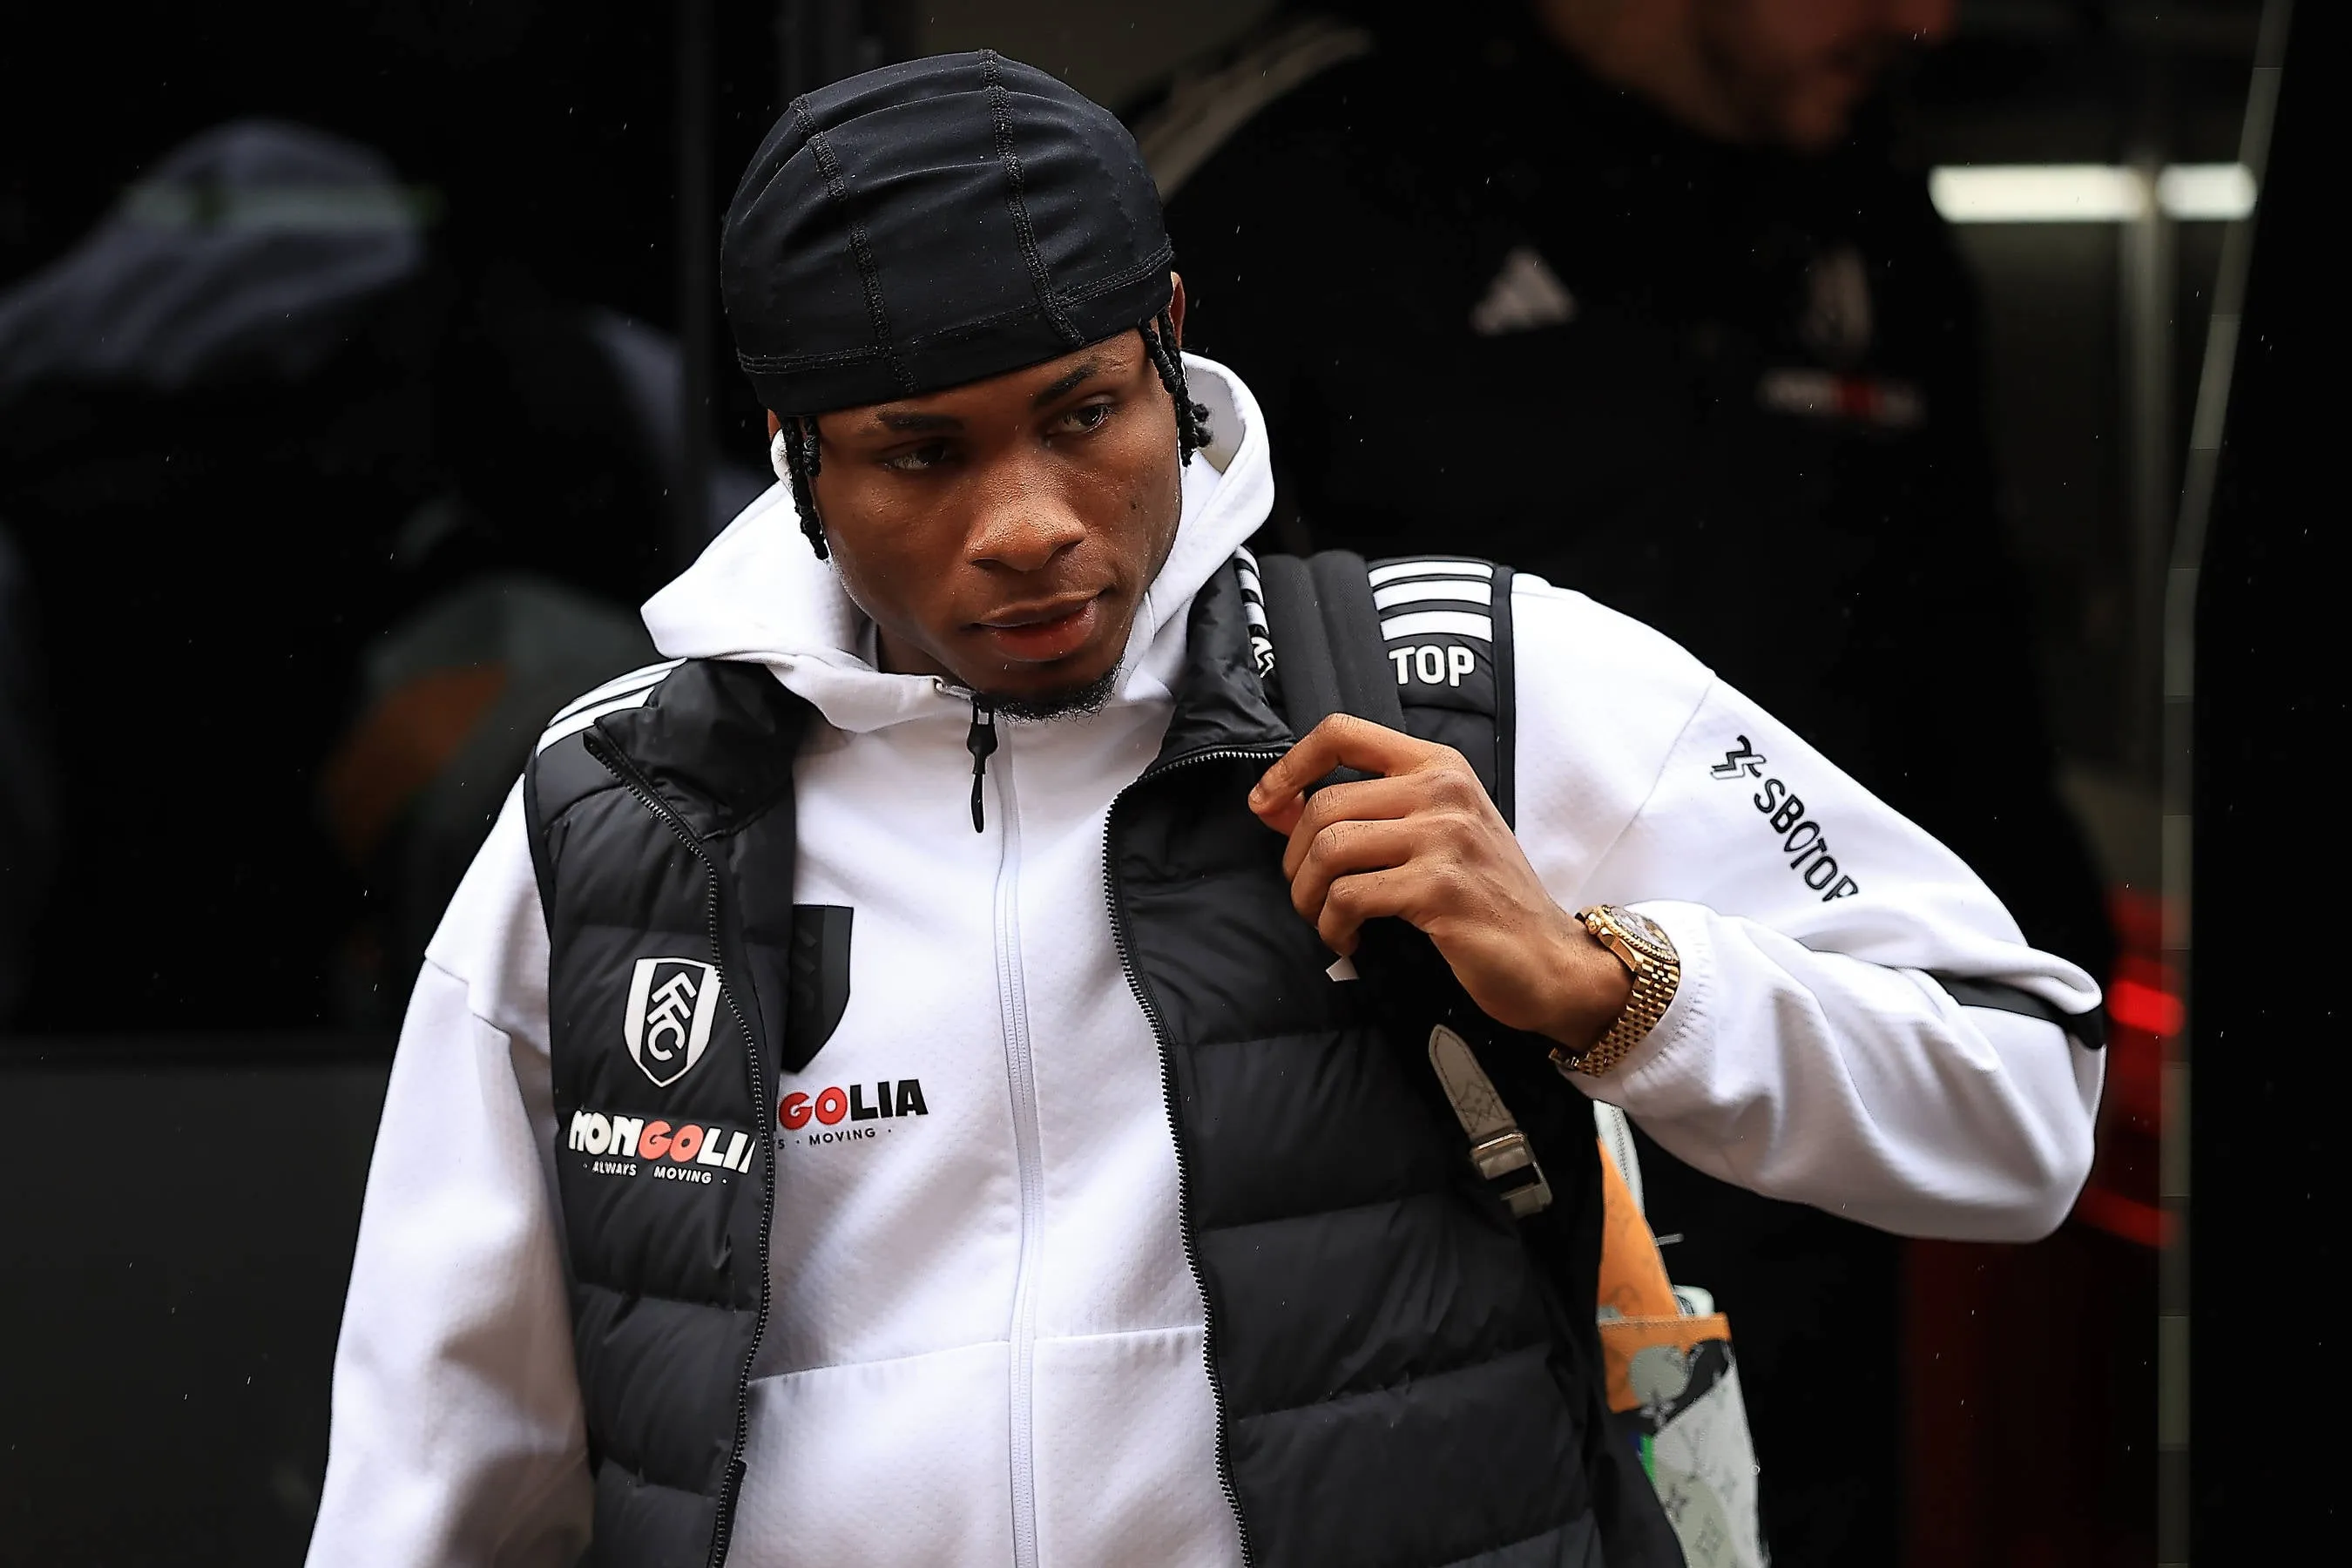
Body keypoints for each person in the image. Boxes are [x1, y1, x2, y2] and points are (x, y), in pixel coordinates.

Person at [308, 52, 2101, 1566]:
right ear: (795, 446)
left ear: (1171, 347)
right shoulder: (618, 815)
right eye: (922, 452)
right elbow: (440, 1466)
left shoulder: (1462, 680)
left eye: (1084, 410)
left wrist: (1616, 984)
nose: (1025, 519)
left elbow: (2024, 1094)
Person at [1139, 3, 2114, 1555]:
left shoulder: (1871, 214)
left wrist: (2037, 1009)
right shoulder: (1284, 164)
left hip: (1802, 1121)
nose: (1925, 19)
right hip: (1421, 1129)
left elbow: (1971, 695)